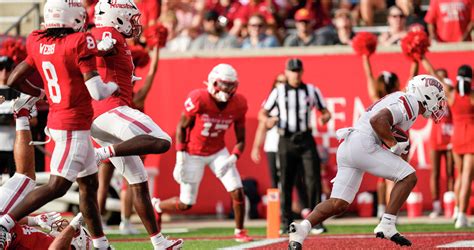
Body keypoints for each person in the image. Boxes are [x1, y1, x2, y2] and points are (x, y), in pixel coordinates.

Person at [0, 0, 118, 249]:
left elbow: (13, 78)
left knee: (89, 185)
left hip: (66, 121)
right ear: (74, 17)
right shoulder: (78, 41)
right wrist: (113, 85)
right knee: (58, 186)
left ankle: (101, 244)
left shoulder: (37, 39)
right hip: (72, 123)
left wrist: (41, 92)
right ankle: (5, 223)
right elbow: (97, 91)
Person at [288, 75, 447, 249]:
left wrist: (396, 146)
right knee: (409, 177)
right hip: (363, 143)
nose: (439, 104)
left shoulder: (404, 100)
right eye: (438, 98)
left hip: (349, 144)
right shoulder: (411, 102)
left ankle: (302, 228)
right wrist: (394, 145)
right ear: (427, 94)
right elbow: (377, 120)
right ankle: (387, 223)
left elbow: (382, 124)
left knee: (338, 203)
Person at [90, 0, 183, 248]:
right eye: (130, 18)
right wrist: (101, 47)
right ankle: (102, 153)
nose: (135, 23)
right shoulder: (105, 32)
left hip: (104, 117)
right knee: (163, 140)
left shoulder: (116, 37)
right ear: (116, 16)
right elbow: (91, 48)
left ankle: (158, 242)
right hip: (110, 110)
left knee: (138, 182)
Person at [151, 64, 253, 243]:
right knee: (186, 203)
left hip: (218, 151)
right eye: (224, 84)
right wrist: (180, 157)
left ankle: (240, 231)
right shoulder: (199, 98)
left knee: (237, 190)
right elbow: (182, 127)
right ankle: (158, 206)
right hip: (193, 152)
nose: (228, 90)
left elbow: (241, 139)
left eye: (231, 85)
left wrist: (233, 157)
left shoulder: (238, 104)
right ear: (213, 82)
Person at [260, 58, 331, 234]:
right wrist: (267, 121)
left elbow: (325, 111)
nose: (295, 74)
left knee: (313, 179)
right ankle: (286, 221)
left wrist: (325, 117)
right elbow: (263, 112)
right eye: (292, 71)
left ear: (302, 72)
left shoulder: (311, 90)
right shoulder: (279, 91)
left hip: (306, 139)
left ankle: (316, 221)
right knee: (285, 180)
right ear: (286, 72)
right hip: (286, 139)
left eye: (298, 70)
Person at [361, 52, 418, 218]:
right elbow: (412, 78)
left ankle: (383, 210)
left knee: (385, 177)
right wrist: (416, 57)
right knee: (399, 176)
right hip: (400, 138)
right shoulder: (401, 97)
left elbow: (369, 75)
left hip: (383, 139)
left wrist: (365, 57)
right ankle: (390, 214)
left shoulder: (376, 98)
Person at [251, 73, 287, 188]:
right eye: (279, 82)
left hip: (289, 146)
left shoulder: (294, 100)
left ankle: (292, 205)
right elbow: (262, 124)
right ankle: (275, 206)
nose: (282, 85)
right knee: (274, 180)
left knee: (289, 179)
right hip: (272, 145)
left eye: (285, 82)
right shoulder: (269, 103)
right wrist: (256, 147)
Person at [448, 65, 473, 228]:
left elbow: (435, 74)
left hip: (456, 137)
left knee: (459, 176)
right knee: (466, 179)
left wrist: (422, 57)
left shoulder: (451, 94)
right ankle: (462, 216)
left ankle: (457, 210)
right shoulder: (471, 96)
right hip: (471, 137)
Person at [3, 212, 92, 250]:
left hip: (6, 241)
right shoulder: (52, 240)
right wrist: (33, 220)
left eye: (75, 231)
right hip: (6, 231)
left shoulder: (64, 246)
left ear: (80, 241)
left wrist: (73, 225)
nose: (67, 228)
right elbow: (10, 220)